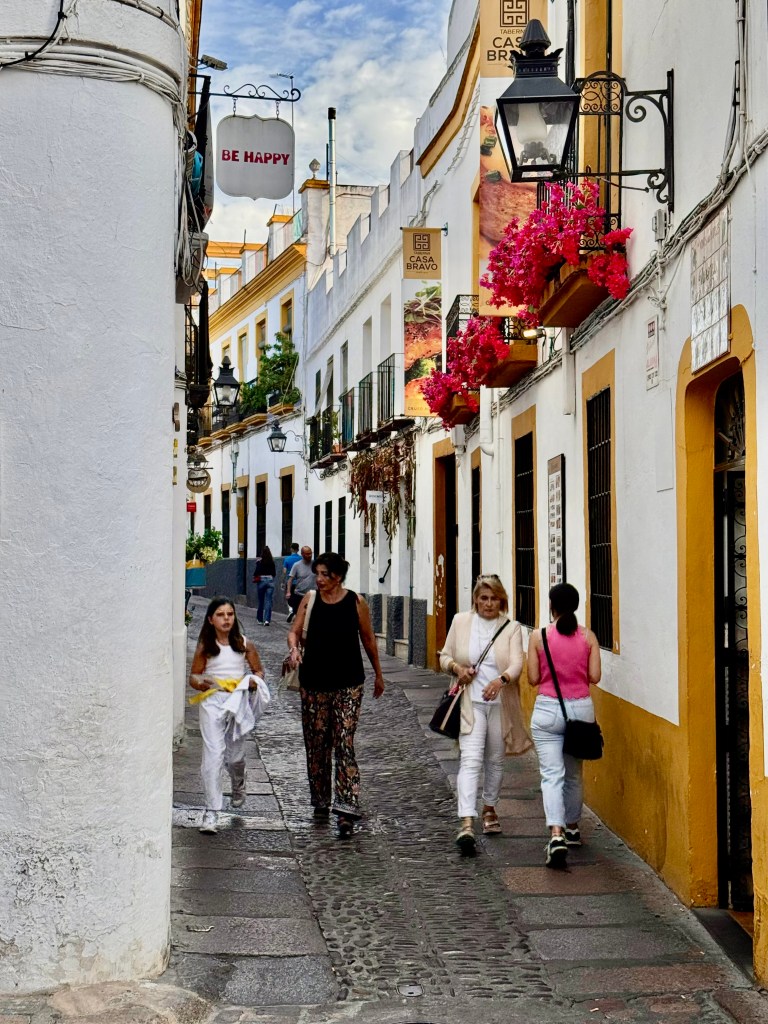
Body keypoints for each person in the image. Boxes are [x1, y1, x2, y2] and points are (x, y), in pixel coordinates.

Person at [285, 552, 385, 836]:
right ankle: (320, 800)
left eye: (324, 574)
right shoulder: (310, 599)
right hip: (314, 683)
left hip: (349, 682)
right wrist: (294, 649)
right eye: (317, 573)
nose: (319, 579)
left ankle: (346, 809)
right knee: (317, 743)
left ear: (338, 576)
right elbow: (293, 633)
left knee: (344, 741)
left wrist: (378, 673)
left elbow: (368, 638)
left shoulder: (356, 602)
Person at [439, 575, 531, 854]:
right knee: (470, 760)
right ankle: (466, 821)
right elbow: (443, 656)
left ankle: (490, 807)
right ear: (475, 599)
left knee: (495, 759)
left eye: (493, 599)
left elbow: (517, 663)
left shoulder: (511, 628)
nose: (488, 604)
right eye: (483, 598)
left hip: (500, 705)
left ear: (501, 600)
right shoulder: (460, 622)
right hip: (470, 704)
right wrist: (457, 669)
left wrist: (500, 681)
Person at [527, 583, 602, 868]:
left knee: (551, 775)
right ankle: (572, 828)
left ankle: (555, 834)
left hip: (547, 709)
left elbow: (533, 678)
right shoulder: (589, 637)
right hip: (581, 711)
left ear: (551, 605)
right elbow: (594, 676)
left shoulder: (539, 636)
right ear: (576, 605)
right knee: (573, 775)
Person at [189, 597, 266, 834]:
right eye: (221, 615)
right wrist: (203, 684)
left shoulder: (244, 645)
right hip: (212, 700)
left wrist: (253, 682)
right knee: (213, 754)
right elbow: (194, 676)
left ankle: (238, 782)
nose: (226, 619)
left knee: (235, 756)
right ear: (211, 619)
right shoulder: (206, 646)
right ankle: (211, 811)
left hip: (237, 702)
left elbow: (258, 670)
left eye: (230, 614)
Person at [285, 545, 315, 623]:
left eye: (310, 553)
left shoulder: (315, 564)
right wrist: (288, 592)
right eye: (307, 554)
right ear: (302, 554)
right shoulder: (297, 565)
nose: (310, 555)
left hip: (313, 594)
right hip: (300, 595)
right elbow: (290, 580)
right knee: (299, 618)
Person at [253, 545, 276, 626]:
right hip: (270, 580)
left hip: (261, 580)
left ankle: (259, 619)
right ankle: (267, 620)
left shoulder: (259, 562)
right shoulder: (272, 562)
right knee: (268, 601)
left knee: (261, 601)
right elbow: (274, 573)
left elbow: (256, 572)